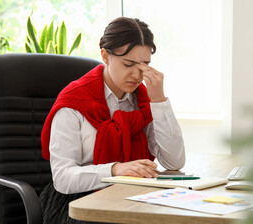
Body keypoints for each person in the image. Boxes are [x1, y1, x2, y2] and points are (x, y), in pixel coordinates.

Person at [39, 17, 185, 224]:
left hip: (132, 195)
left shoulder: (143, 101)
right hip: (78, 202)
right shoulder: (73, 102)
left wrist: (159, 101)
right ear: (105, 56)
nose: (138, 74)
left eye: (145, 65)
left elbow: (174, 161)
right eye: (129, 64)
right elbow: (63, 178)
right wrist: (116, 170)